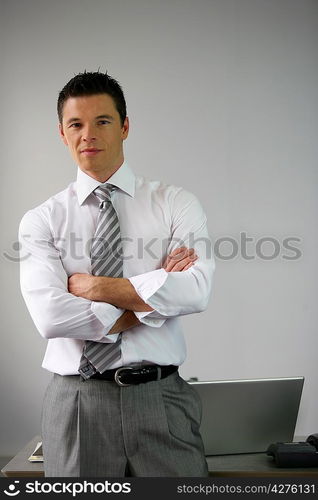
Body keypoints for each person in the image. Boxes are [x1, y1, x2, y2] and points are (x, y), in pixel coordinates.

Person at [19, 71, 215, 477]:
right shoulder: (41, 220)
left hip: (161, 400)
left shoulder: (175, 203)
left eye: (102, 121)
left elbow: (195, 290)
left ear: (125, 126)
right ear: (62, 133)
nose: (88, 134)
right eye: (76, 124)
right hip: (77, 405)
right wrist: (153, 300)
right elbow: (51, 318)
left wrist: (95, 288)